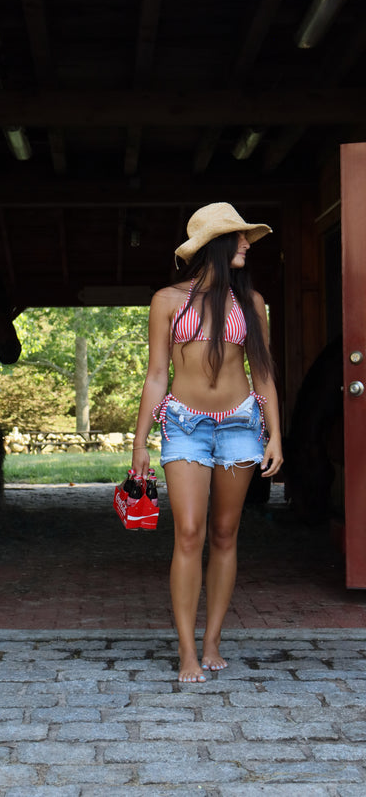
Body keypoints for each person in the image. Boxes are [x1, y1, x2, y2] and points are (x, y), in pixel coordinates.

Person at [132, 202, 283, 683]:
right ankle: (186, 651)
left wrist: (275, 432)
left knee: (224, 534)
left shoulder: (252, 303)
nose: (245, 244)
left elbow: (262, 373)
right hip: (184, 423)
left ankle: (213, 640)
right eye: (238, 237)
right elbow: (158, 375)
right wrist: (140, 444)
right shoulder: (168, 300)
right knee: (190, 533)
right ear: (215, 246)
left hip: (240, 424)